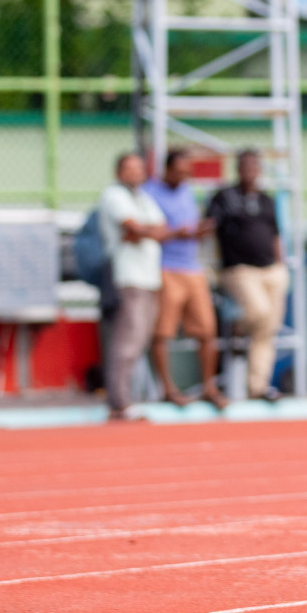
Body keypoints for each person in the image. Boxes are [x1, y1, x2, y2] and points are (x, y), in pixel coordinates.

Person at [205, 150, 288, 401]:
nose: (251, 171)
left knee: (268, 330)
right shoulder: (225, 197)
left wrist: (280, 263)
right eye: (246, 166)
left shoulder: (266, 200)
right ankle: (238, 332)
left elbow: (275, 233)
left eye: (255, 166)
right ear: (238, 169)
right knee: (258, 312)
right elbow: (209, 228)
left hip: (271, 269)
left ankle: (258, 387)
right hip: (239, 269)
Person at [143, 150, 224, 409]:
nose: (184, 176)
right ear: (166, 169)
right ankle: (168, 389)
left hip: (193, 268)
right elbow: (149, 231)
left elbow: (191, 225)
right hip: (166, 268)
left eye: (188, 172)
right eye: (179, 171)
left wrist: (200, 230)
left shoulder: (188, 191)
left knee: (207, 330)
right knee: (163, 332)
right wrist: (177, 233)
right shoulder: (149, 192)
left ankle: (209, 387)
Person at [97, 152, 170, 420]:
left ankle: (125, 397)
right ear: (118, 172)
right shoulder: (113, 195)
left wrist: (142, 231)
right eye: (129, 168)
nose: (135, 173)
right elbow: (133, 228)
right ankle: (119, 401)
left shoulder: (143, 197)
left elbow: (160, 229)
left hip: (149, 278)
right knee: (126, 341)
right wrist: (142, 231)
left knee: (138, 340)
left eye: (139, 168)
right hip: (127, 278)